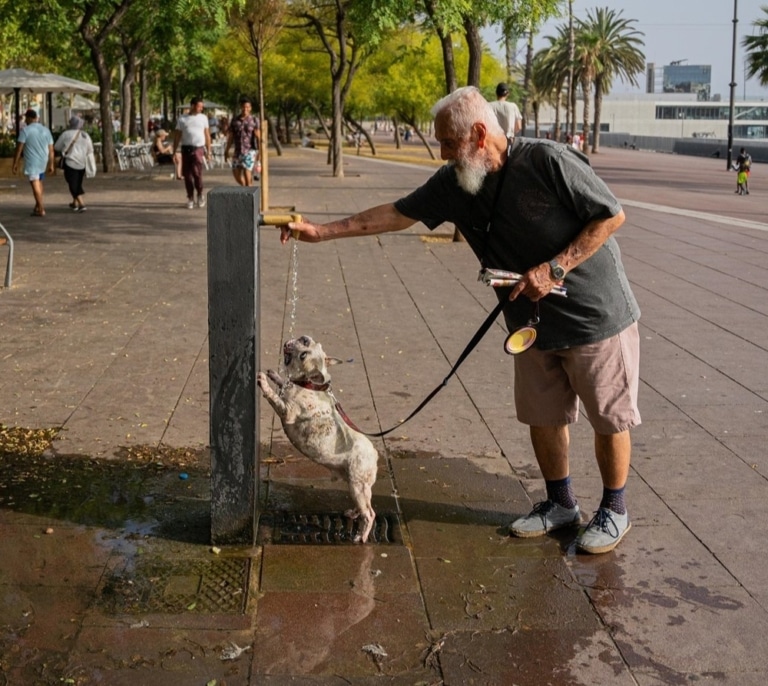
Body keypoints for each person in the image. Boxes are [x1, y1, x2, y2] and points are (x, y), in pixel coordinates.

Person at [282, 86, 641, 555]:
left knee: (609, 417)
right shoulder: (455, 182)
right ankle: (561, 504)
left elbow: (611, 216)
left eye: (449, 143)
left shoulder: (548, 161)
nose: (443, 153)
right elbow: (396, 214)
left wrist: (556, 268)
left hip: (593, 313)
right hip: (530, 320)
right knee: (544, 415)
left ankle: (614, 509)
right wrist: (320, 232)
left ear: (479, 134)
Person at [11, 109, 54, 217]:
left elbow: (19, 148)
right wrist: (51, 164)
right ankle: (37, 206)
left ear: (30, 118)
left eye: (26, 118)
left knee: (34, 183)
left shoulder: (25, 131)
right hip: (43, 161)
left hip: (32, 162)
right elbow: (51, 149)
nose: (25, 120)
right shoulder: (46, 130)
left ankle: (41, 208)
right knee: (39, 182)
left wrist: (15, 163)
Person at [172, 97, 212, 209]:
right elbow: (177, 135)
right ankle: (190, 197)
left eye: (202, 107)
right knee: (187, 175)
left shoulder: (203, 118)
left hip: (198, 148)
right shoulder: (182, 118)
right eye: (199, 106)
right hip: (186, 148)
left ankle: (200, 194)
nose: (201, 109)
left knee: (197, 173)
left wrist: (209, 151)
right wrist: (174, 151)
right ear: (192, 106)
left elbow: (207, 135)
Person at [54, 115, 95, 213]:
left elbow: (57, 147)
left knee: (73, 184)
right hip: (82, 163)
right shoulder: (85, 135)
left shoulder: (65, 134)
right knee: (77, 183)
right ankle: (75, 203)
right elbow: (90, 149)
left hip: (70, 162)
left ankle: (81, 204)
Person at [224, 96, 259, 187]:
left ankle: (249, 192)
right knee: (236, 174)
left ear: (250, 108)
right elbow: (231, 136)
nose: (245, 109)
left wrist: (260, 153)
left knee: (247, 174)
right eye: (243, 107)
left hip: (249, 151)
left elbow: (259, 137)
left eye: (247, 107)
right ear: (241, 107)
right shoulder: (235, 120)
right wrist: (227, 150)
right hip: (238, 151)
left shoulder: (254, 120)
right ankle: (245, 189)